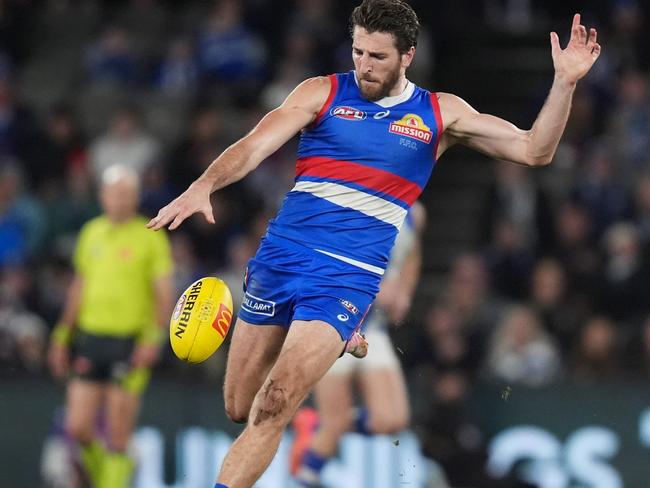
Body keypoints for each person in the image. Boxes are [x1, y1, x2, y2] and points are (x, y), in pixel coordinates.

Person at [147, 1, 601, 486]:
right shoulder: (320, 92)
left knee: (273, 405)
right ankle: (336, 348)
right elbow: (256, 145)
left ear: (408, 55)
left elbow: (536, 149)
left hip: (346, 275)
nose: (363, 65)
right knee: (240, 406)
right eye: (358, 51)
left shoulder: (438, 113)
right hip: (280, 258)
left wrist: (565, 82)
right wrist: (204, 185)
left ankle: (333, 338)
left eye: (377, 57)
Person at [48, 164, 173, 488]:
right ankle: (109, 474)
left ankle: (111, 480)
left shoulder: (150, 235)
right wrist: (62, 335)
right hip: (91, 338)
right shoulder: (91, 232)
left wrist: (153, 338)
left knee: (118, 432)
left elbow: (163, 294)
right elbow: (79, 287)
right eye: (115, 193)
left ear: (136, 197)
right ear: (103, 196)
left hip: (129, 340)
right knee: (77, 427)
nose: (121, 199)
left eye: (128, 194)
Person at [290, 200, 425, 486]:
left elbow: (412, 253)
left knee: (392, 418)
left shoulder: (415, 211)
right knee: (334, 425)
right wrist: (377, 290)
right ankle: (306, 473)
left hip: (372, 328)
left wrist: (405, 292)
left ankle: (319, 425)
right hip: (333, 324)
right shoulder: (355, 200)